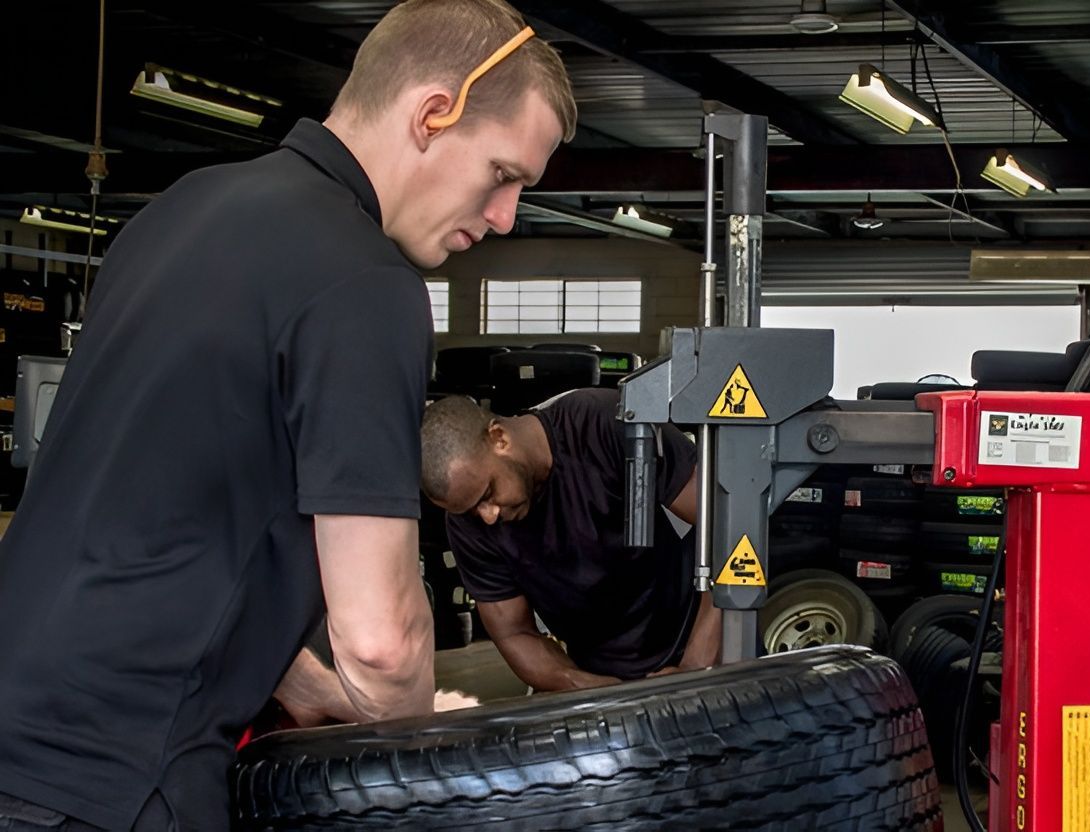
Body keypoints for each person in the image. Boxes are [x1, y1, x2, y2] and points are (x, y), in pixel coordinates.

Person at [0, 0, 575, 828]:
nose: (504, 217)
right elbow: (381, 636)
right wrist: (427, 754)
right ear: (431, 114)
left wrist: (317, 690)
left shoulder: (178, 214)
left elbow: (174, 540)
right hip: (119, 785)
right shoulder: (365, 282)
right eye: (502, 174)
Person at [421, 390, 721, 692]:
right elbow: (514, 633)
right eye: (472, 510)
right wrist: (585, 687)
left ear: (499, 438)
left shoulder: (604, 423)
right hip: (597, 670)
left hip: (702, 639)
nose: (487, 516)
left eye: (488, 494)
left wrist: (696, 666)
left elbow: (729, 529)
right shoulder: (467, 523)